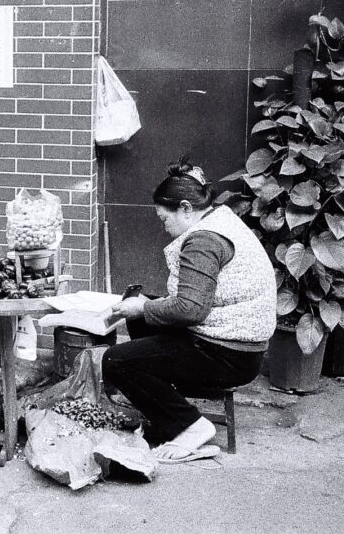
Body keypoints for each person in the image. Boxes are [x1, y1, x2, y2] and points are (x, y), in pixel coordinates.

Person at [102, 160, 276, 462]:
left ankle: (192, 427)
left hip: (229, 354)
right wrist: (146, 306)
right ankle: (169, 417)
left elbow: (191, 309)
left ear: (185, 208)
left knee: (116, 361)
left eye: (164, 219)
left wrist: (142, 306)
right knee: (145, 319)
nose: (164, 227)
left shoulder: (203, 240)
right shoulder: (219, 220)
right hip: (238, 345)